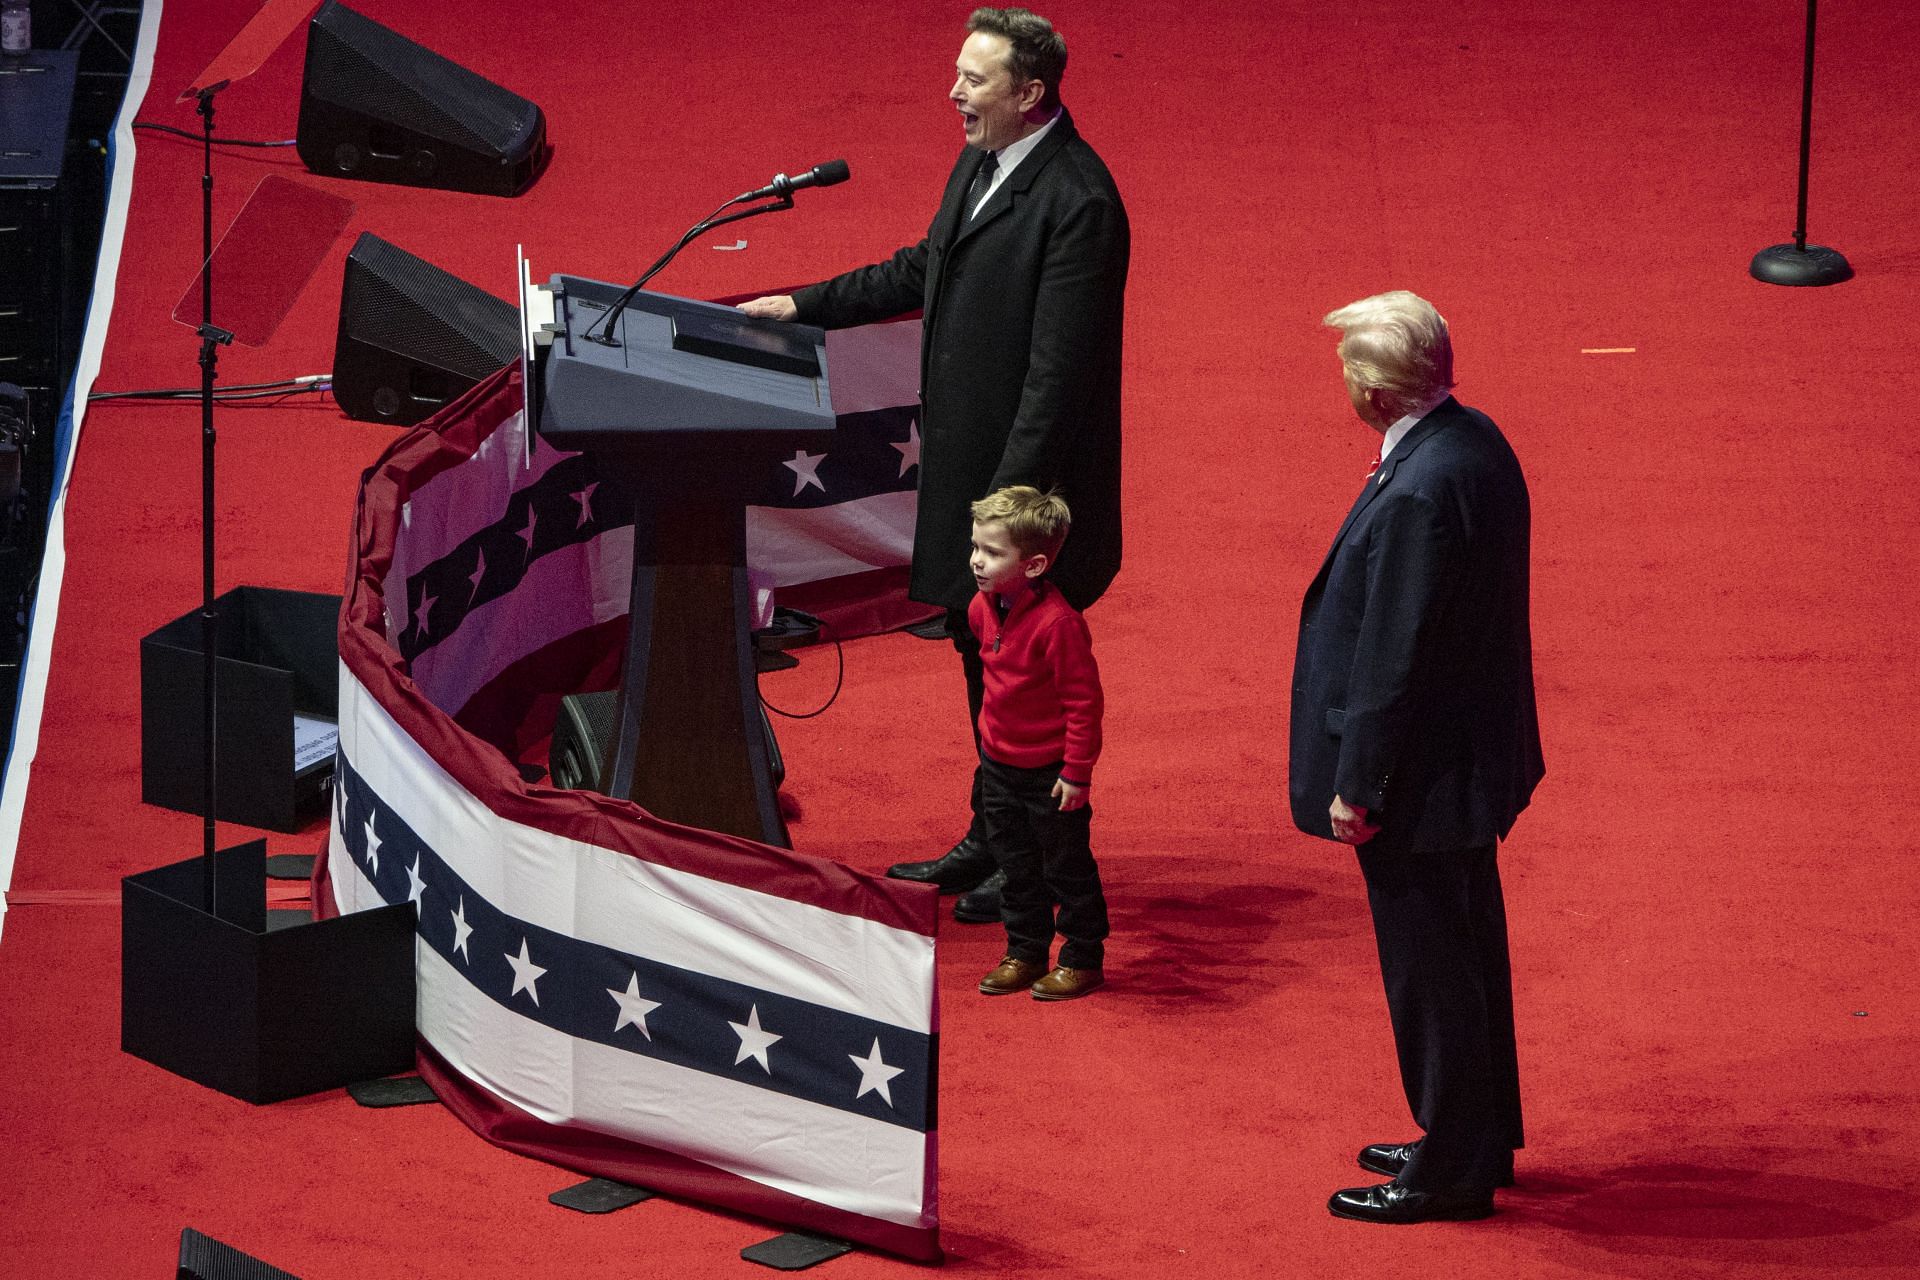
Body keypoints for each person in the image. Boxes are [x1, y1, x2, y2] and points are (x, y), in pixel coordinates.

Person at [739, 7, 1127, 924]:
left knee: (1025, 681)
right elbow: (926, 267)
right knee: (976, 657)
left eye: (974, 80)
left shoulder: (1081, 203)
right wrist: (807, 304)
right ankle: (993, 836)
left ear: (1029, 95)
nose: (953, 94)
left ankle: (1032, 871)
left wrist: (1009, 515)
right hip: (973, 475)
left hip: (1026, 500)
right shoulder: (984, 164)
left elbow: (1057, 377)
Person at [1289, 291, 1543, 1223]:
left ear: (1374, 389)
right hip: (1470, 764)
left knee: (1433, 973)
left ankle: (1449, 1171)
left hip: (1423, 783)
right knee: (1469, 953)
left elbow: (1393, 659)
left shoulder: (1421, 492)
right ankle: (1475, 1131)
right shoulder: (1474, 440)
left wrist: (1361, 784)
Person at [963, 486, 1107, 999]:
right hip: (999, 767)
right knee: (1015, 868)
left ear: (1034, 564)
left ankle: (1082, 957)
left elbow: (1083, 706)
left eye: (994, 552)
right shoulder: (981, 608)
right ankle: (1025, 952)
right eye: (976, 547)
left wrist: (1076, 773)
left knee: (1066, 869)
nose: (977, 561)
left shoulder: (1060, 625)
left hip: (1050, 776)